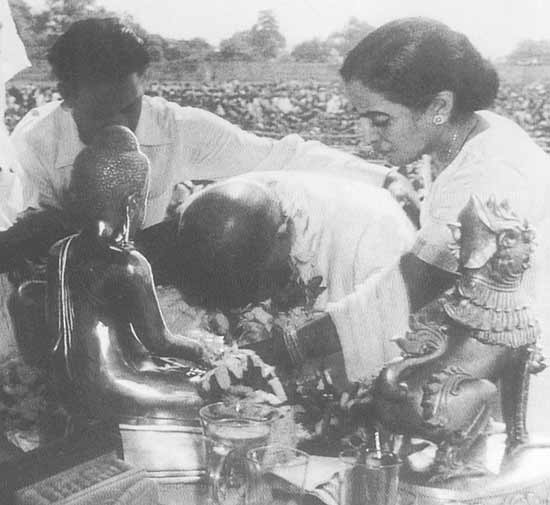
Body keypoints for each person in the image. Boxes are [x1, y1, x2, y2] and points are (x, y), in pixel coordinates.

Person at [339, 17, 550, 432]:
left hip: (519, 373)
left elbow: (404, 291)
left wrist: (287, 347)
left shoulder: (488, 171)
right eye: (360, 118)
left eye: (380, 121)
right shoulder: (462, 137)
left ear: (439, 107)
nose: (366, 136)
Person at [10, 17, 415, 231]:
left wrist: (382, 178)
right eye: (102, 113)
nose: (121, 126)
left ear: (145, 85)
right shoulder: (33, 144)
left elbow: (280, 156)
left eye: (130, 107)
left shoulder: (177, 129)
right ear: (66, 95)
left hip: (147, 268)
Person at [46, 125, 284, 422]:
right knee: (214, 394)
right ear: (133, 205)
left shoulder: (60, 251)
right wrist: (204, 351)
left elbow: (64, 331)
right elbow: (159, 341)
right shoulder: (129, 264)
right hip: (110, 388)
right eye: (144, 202)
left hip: (66, 383)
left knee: (183, 373)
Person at [170, 170, 416, 385]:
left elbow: (381, 351)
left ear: (283, 234)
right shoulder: (226, 205)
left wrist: (273, 354)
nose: (250, 297)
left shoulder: (376, 239)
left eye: (256, 282)